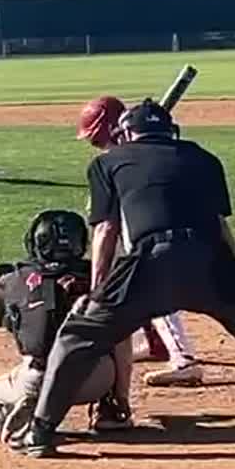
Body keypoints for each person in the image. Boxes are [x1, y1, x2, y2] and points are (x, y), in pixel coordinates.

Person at [17, 98, 235, 457]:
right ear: (170, 130)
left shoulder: (106, 163)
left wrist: (98, 288)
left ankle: (41, 430)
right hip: (211, 260)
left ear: (126, 133)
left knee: (80, 334)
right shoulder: (204, 158)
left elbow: (105, 230)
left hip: (147, 265)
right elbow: (220, 227)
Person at [0, 210, 134, 443]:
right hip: (95, 379)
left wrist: (12, 318)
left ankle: (24, 414)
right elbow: (121, 335)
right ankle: (111, 409)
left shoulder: (15, 278)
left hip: (36, 379)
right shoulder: (99, 278)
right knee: (115, 331)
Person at [77, 95, 204, 387]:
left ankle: (184, 360)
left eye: (95, 139)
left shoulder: (127, 159)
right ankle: (156, 344)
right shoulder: (121, 158)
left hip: (147, 235)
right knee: (133, 286)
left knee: (154, 291)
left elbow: (107, 223)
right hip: (134, 234)